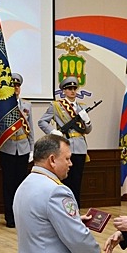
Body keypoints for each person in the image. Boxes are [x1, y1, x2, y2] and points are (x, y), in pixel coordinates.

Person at [38, 76, 92, 208]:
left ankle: (76, 209)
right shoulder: (56, 106)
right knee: (65, 180)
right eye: (69, 89)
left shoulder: (81, 107)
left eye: (74, 88)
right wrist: (52, 132)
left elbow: (88, 130)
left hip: (79, 147)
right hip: (64, 147)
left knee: (77, 181)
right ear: (64, 91)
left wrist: (87, 121)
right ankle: (64, 209)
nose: (72, 91)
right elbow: (42, 121)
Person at [0, 73, 34, 228]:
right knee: (9, 184)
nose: (16, 88)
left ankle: (21, 215)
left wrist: (32, 149)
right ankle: (10, 217)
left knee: (22, 185)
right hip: (8, 149)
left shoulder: (26, 105)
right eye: (13, 86)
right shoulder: (2, 106)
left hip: (23, 148)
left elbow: (30, 128)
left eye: (17, 86)